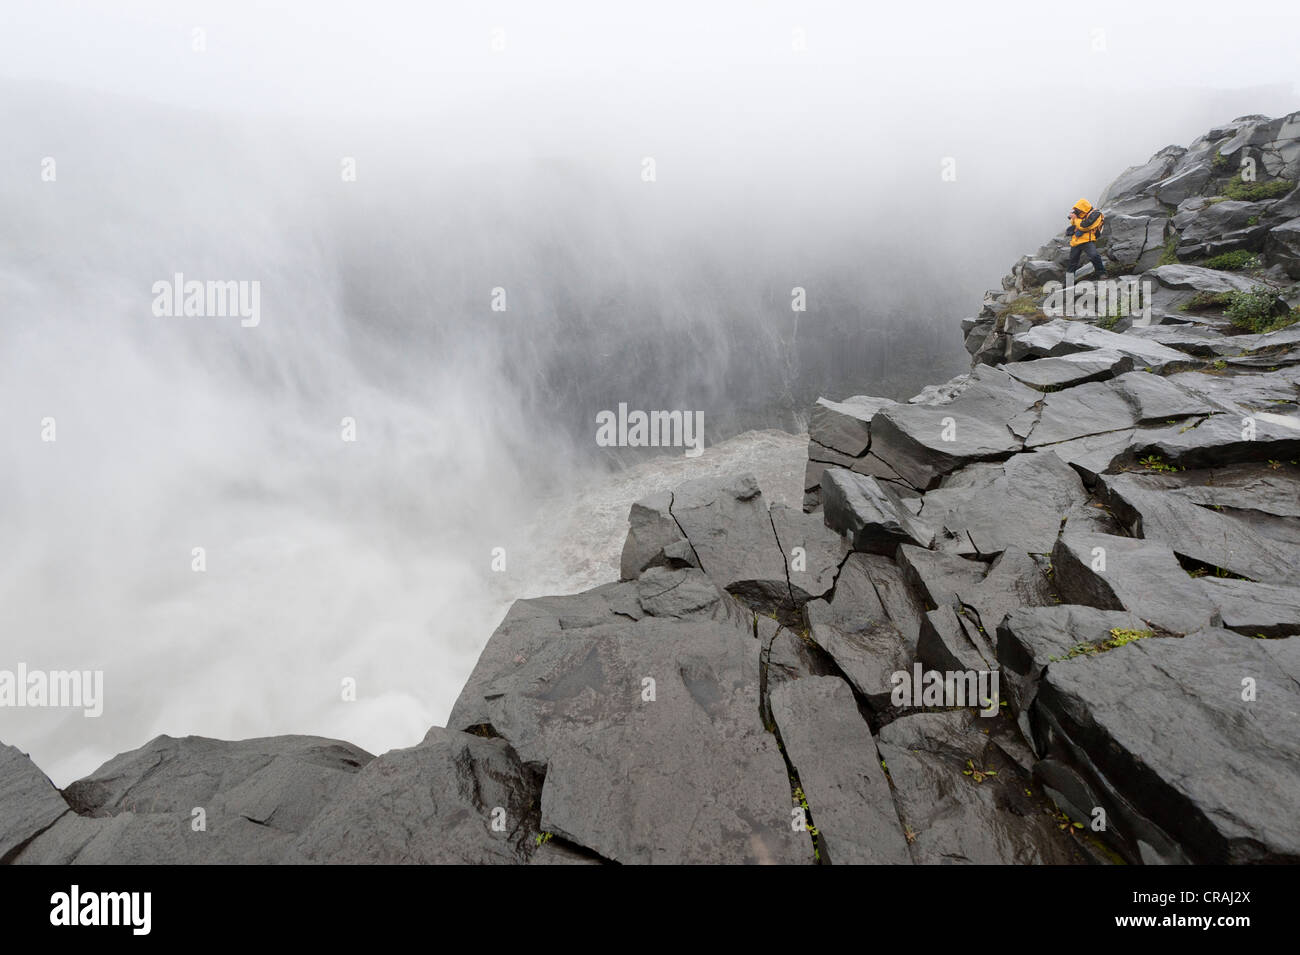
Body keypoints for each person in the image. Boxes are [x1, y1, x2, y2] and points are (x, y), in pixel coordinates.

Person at [1064, 198, 1107, 280]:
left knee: (1094, 256)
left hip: (1088, 240)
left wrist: (1075, 218)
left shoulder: (1096, 214)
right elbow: (1074, 225)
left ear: (1084, 208)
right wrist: (1074, 218)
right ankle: (1068, 282)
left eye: (1078, 210)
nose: (1077, 211)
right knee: (1072, 263)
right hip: (1076, 241)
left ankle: (1102, 273)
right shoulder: (1079, 215)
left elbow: (1085, 226)